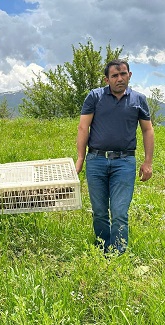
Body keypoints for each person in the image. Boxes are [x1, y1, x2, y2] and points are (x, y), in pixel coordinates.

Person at [76, 59, 154, 254]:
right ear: (107, 79)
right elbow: (83, 127)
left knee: (119, 212)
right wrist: (80, 158)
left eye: (123, 74)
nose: (120, 78)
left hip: (125, 162)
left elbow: (147, 130)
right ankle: (103, 249)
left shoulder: (138, 100)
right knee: (100, 212)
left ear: (129, 75)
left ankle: (117, 254)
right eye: (115, 75)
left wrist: (148, 162)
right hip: (96, 160)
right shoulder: (95, 97)